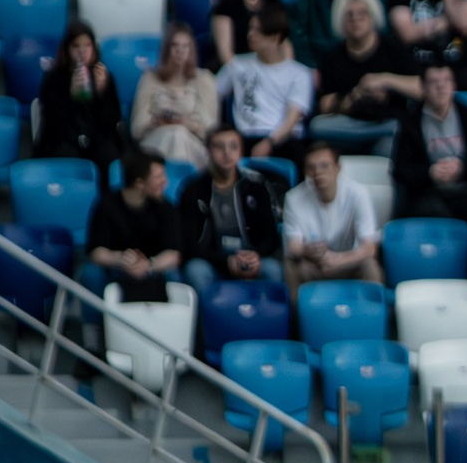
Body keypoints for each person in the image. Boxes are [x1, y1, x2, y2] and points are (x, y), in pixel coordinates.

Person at [179, 127, 285, 294]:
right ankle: (207, 320)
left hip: (251, 257)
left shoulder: (256, 185)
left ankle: (269, 318)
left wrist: (256, 256)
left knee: (273, 270)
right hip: (213, 261)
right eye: (219, 147)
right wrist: (226, 261)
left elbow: (271, 236)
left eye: (233, 146)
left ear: (241, 151)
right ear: (208, 150)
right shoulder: (193, 190)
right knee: (195, 270)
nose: (227, 153)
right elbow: (190, 244)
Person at [310, 0, 414, 158]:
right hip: (349, 125)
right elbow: (324, 104)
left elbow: (421, 87)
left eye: (362, 13)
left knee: (398, 132)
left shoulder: (393, 49)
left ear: (373, 17)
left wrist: (384, 80)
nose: (355, 20)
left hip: (386, 122)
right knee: (317, 126)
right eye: (349, 15)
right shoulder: (331, 58)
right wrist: (355, 96)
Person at [392, 61, 467, 219]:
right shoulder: (410, 123)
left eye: (446, 81)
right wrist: (429, 173)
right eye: (434, 82)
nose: (441, 87)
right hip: (428, 193)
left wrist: (462, 168)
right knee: (429, 212)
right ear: (423, 88)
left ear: (454, 85)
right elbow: (400, 170)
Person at [80, 148, 183, 302]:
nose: (165, 182)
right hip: (117, 266)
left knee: (172, 274)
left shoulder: (165, 206)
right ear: (140, 184)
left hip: (152, 265)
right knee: (91, 273)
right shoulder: (106, 204)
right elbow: (97, 252)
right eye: (159, 177)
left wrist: (149, 265)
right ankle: (94, 325)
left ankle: (171, 321)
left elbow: (173, 254)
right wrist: (121, 259)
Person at [281, 141, 384, 293]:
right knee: (291, 265)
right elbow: (293, 247)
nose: (318, 173)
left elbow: (370, 247)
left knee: (370, 265)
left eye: (324, 166)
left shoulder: (358, 194)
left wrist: (339, 260)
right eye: (312, 168)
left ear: (338, 168)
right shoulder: (293, 198)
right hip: (316, 264)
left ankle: (373, 314)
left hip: (348, 262)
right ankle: (297, 316)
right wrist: (309, 250)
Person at [36, 23, 128, 183]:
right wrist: (70, 96)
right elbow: (52, 122)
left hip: (97, 139)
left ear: (94, 48)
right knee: (66, 156)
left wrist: (101, 95)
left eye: (87, 46)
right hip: (64, 139)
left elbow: (112, 121)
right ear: (67, 49)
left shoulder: (104, 77)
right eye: (76, 46)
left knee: (108, 155)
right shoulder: (53, 78)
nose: (82, 52)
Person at [131, 25, 220, 172]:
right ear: (166, 50)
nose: (180, 51)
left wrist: (187, 123)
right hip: (156, 140)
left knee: (178, 135)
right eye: (175, 46)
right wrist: (157, 122)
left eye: (186, 46)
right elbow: (137, 127)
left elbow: (210, 129)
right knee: (173, 135)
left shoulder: (204, 79)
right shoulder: (150, 78)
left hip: (193, 143)